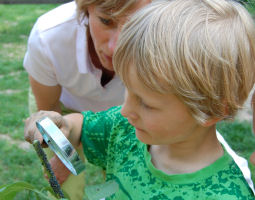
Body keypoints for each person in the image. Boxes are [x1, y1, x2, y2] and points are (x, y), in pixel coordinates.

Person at [24, 0, 255, 198]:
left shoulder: (226, 193)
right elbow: (80, 127)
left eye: (146, 103)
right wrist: (61, 127)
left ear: (211, 110)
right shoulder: (125, 130)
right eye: (128, 90)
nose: (125, 110)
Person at [23, 0, 150, 199]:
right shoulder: (48, 36)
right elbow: (50, 113)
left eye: (135, 25)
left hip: (126, 115)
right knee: (68, 187)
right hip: (62, 110)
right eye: (106, 21)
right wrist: (64, 155)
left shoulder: (166, 37)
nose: (115, 46)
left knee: (123, 184)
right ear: (86, 7)